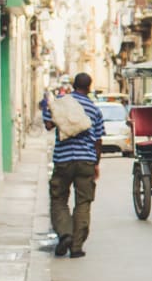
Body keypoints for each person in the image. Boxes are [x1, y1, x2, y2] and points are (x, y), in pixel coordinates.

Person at [42, 72, 105, 259]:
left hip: (63, 159)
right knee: (83, 203)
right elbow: (98, 141)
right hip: (86, 160)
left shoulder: (61, 101)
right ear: (89, 87)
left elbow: (48, 124)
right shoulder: (94, 109)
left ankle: (65, 234)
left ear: (72, 85)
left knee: (59, 198)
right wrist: (96, 163)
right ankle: (76, 247)